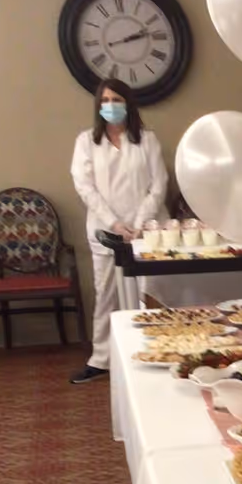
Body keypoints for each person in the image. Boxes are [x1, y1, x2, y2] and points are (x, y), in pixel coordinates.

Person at [69, 80, 167, 384]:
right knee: (106, 296)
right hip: (105, 231)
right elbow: (85, 186)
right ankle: (101, 360)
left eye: (117, 99)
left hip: (144, 231)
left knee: (145, 295)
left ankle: (149, 354)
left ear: (129, 103)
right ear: (99, 106)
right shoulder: (87, 141)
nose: (111, 105)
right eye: (106, 100)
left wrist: (138, 223)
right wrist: (114, 223)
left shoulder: (147, 140)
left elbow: (159, 184)